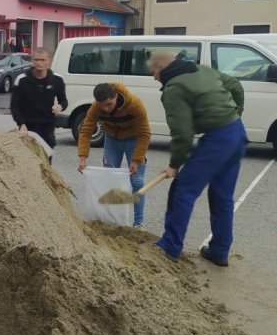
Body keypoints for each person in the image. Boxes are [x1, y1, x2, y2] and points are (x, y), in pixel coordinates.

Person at [147, 50, 246, 265]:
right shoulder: (204, 70)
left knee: (182, 190)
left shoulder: (174, 88)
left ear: (162, 68)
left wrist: (174, 165)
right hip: (237, 133)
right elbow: (236, 86)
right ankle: (219, 251)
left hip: (218, 140)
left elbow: (182, 133)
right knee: (222, 196)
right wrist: (234, 114)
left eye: (153, 71)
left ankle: (169, 247)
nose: (153, 77)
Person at [77, 83, 151, 227]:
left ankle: (138, 223)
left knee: (137, 181)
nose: (105, 109)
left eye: (109, 104)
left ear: (116, 97)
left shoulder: (135, 105)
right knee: (108, 178)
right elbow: (86, 131)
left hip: (134, 139)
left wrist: (136, 160)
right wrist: (82, 157)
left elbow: (145, 134)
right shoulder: (95, 107)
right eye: (101, 105)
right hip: (112, 139)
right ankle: (110, 220)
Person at [10, 47, 68, 150]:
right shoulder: (22, 80)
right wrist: (21, 123)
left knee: (46, 160)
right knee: (29, 161)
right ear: (32, 61)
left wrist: (60, 106)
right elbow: (14, 106)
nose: (39, 63)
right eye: (36, 60)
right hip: (27, 126)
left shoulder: (57, 80)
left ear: (49, 61)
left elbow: (64, 101)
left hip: (48, 126)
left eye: (42, 60)